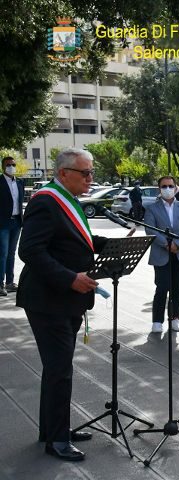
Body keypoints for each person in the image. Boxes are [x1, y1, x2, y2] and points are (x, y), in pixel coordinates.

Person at [17, 148, 108, 461]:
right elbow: (30, 250)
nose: (90, 178)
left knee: (57, 369)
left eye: (91, 172)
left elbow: (74, 239)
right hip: (49, 299)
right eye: (85, 173)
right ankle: (57, 439)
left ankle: (53, 429)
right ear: (64, 172)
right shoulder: (46, 200)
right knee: (59, 370)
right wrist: (69, 278)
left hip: (67, 299)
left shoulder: (68, 200)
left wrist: (109, 244)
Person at [144, 176, 179, 333]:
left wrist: (177, 244)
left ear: (175, 187)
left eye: (170, 186)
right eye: (164, 186)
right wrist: (166, 244)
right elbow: (150, 229)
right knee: (162, 287)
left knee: (177, 288)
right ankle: (157, 321)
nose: (167, 189)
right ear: (159, 188)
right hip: (161, 252)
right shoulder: (152, 208)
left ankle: (175, 319)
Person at [0, 156, 24, 296]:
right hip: (3, 223)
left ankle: (10, 282)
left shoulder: (20, 182)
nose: (12, 167)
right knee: (2, 254)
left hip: (16, 222)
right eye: (9, 165)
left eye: (13, 164)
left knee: (11, 253)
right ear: (3, 167)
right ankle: (0, 284)